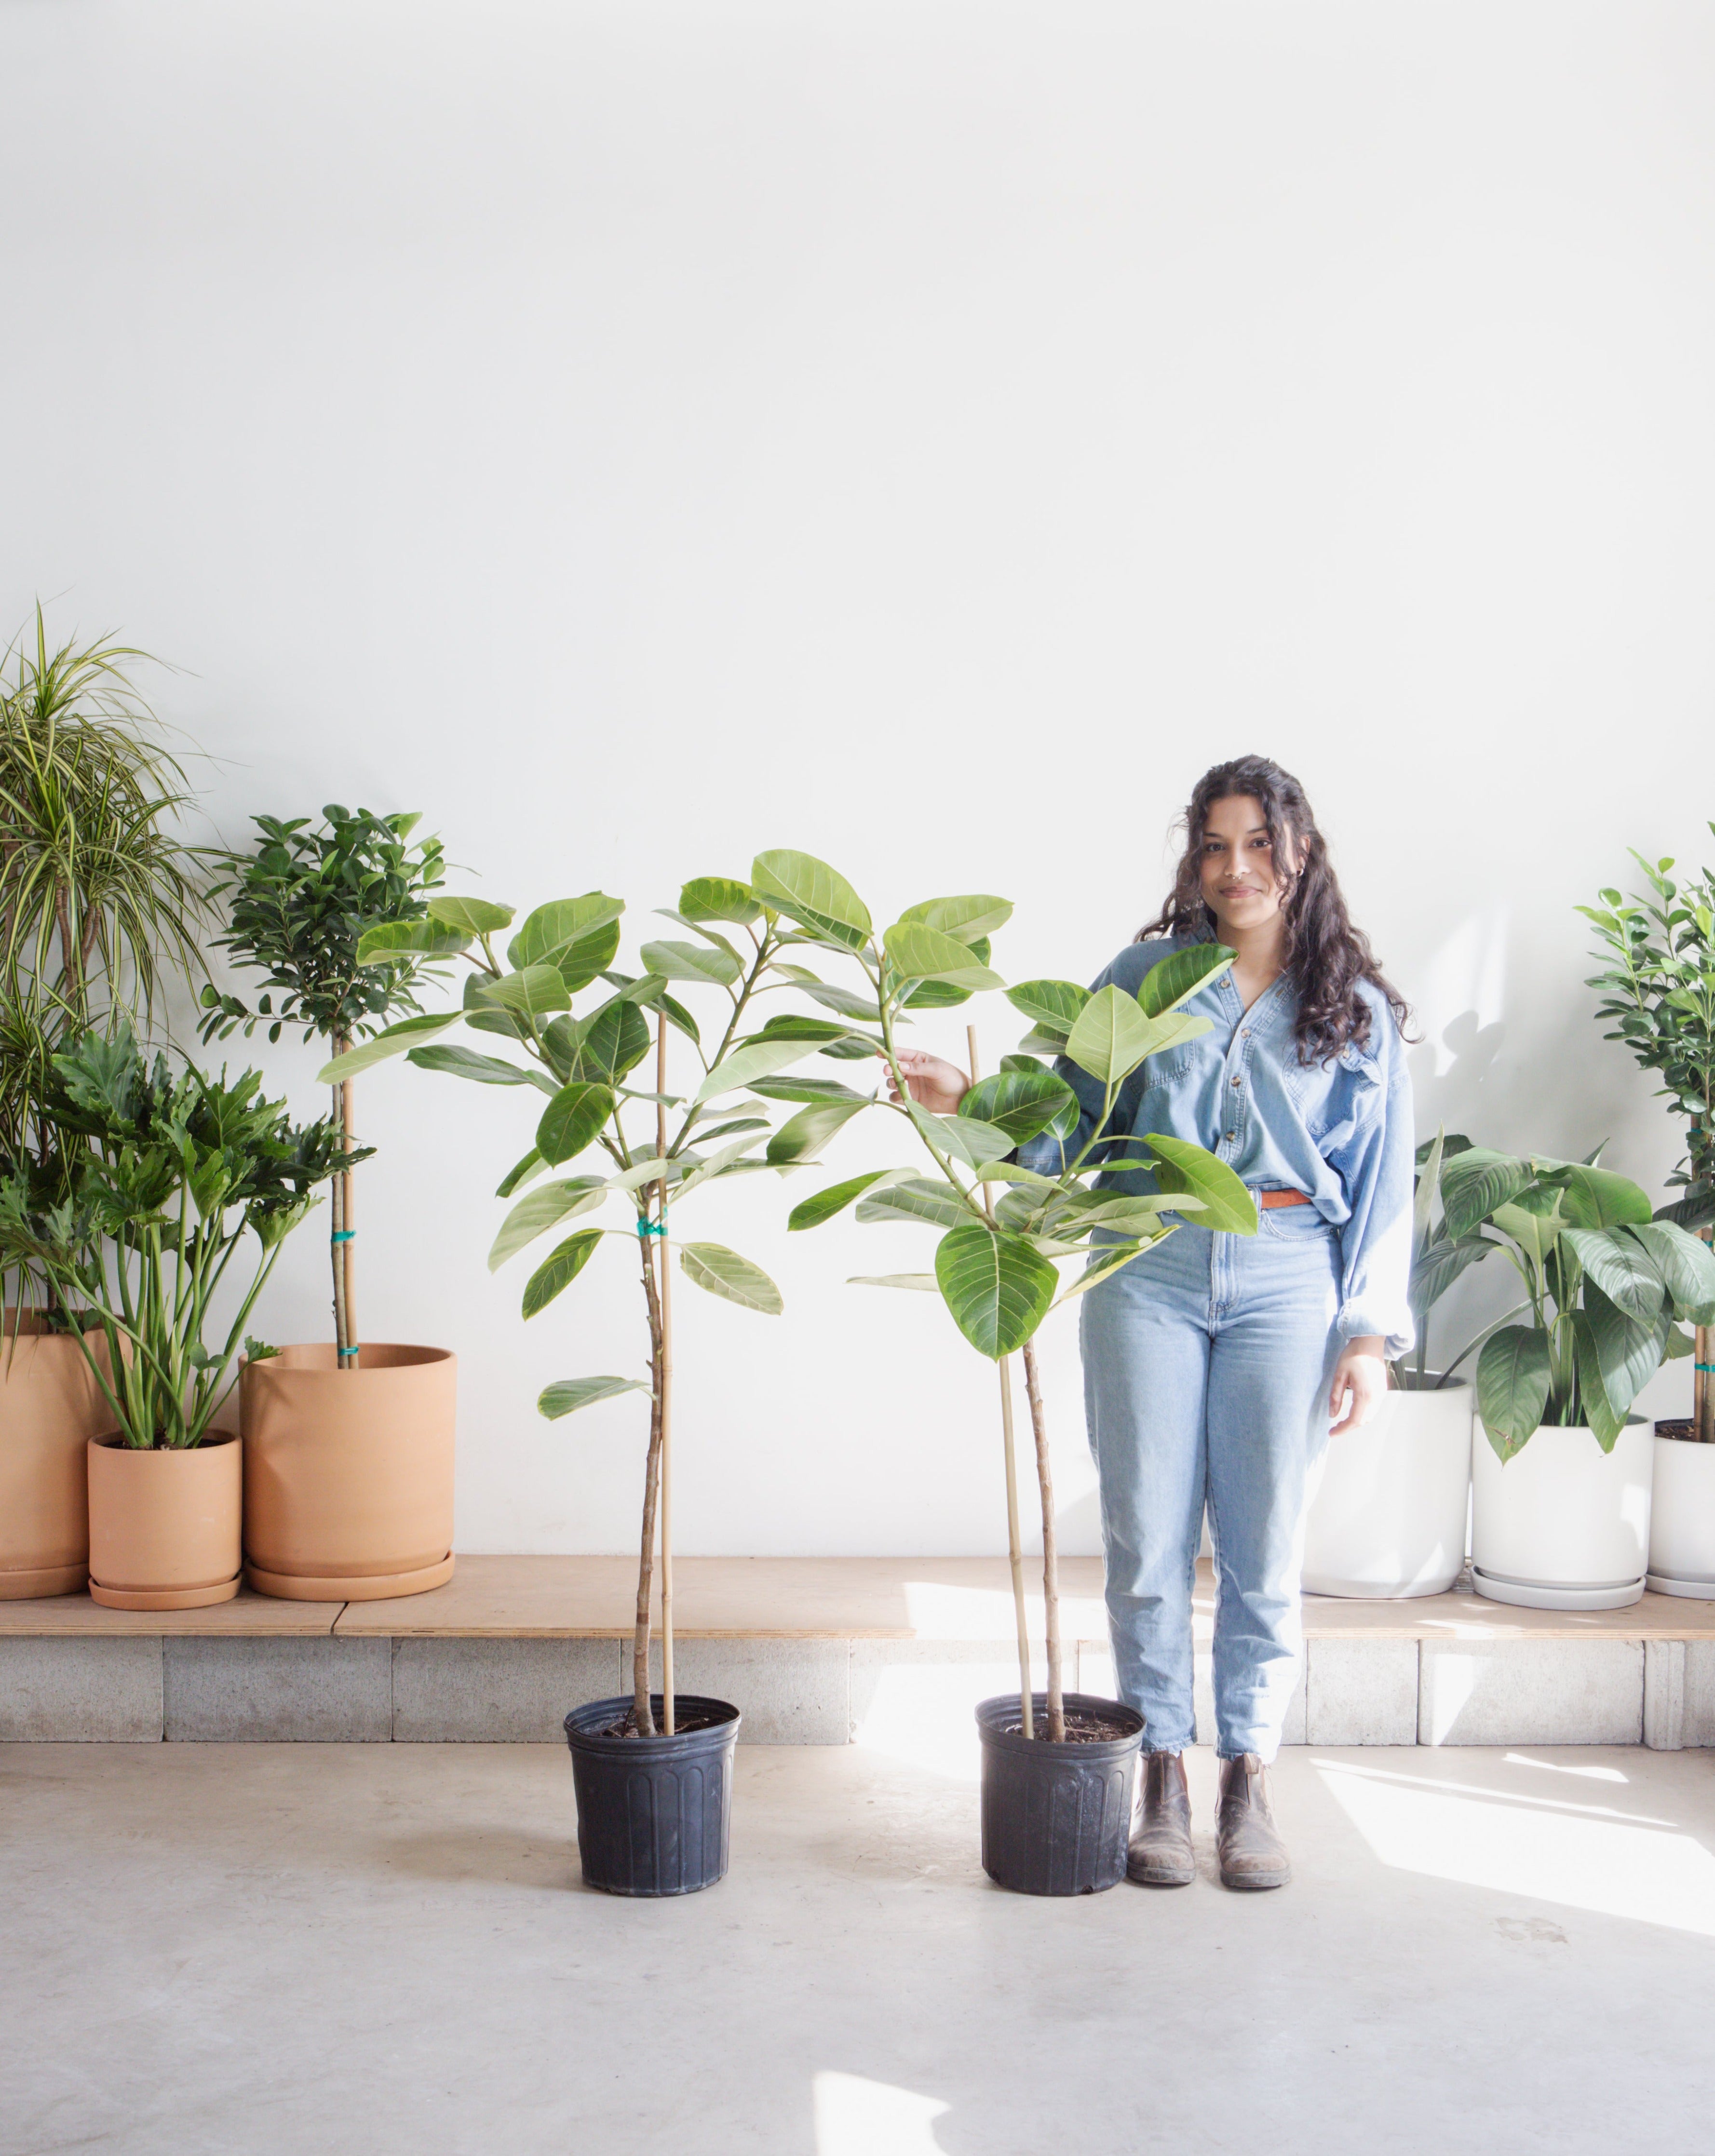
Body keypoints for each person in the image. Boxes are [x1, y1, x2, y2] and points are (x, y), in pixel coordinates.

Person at [886, 755, 1414, 1891]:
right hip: (1146, 1263)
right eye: (1216, 845)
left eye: (1261, 844)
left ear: (1302, 851)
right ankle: (1162, 1772)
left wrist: (1367, 1333)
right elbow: (1071, 1130)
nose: (1238, 868)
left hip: (1288, 1273)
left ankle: (1249, 1779)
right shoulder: (1140, 979)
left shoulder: (1357, 1009)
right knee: (1147, 1537)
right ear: (1196, 859)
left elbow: (1383, 1184)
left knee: (1266, 1546)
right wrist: (966, 1105)